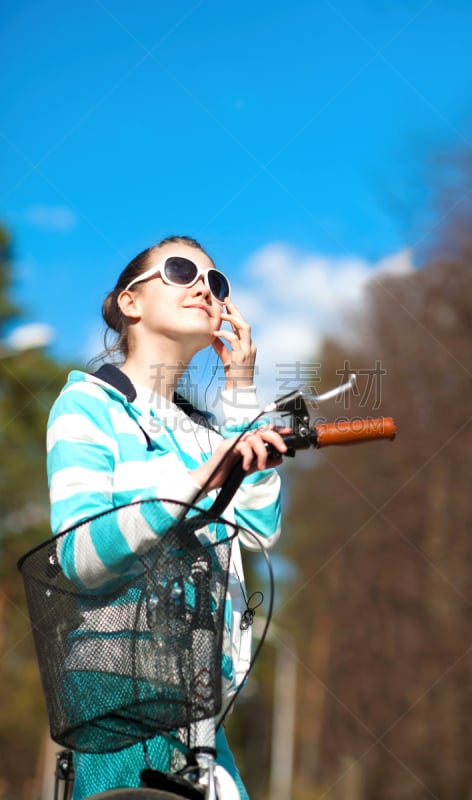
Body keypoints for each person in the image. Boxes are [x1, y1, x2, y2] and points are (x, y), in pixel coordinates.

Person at [46, 234, 287, 800]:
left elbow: (260, 527)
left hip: (202, 705)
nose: (205, 287)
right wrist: (194, 484)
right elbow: (78, 554)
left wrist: (241, 391)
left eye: (217, 282)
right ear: (130, 302)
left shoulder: (206, 429)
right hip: (118, 692)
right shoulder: (89, 405)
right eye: (182, 272)